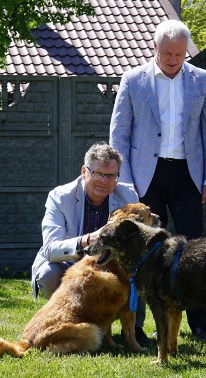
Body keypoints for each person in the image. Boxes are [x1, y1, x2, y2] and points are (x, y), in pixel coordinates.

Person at [109, 19, 206, 343]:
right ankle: (139, 327)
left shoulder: (202, 80)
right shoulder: (133, 80)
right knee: (144, 252)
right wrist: (128, 184)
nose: (174, 59)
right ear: (154, 48)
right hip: (146, 177)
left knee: (192, 253)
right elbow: (119, 134)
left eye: (180, 53)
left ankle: (200, 325)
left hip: (188, 175)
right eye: (168, 53)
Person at [30, 141, 153, 346]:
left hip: (114, 266)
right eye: (98, 174)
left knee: (138, 267)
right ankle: (73, 320)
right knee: (48, 274)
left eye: (111, 175)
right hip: (70, 263)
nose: (105, 181)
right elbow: (50, 249)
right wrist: (89, 239)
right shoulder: (60, 197)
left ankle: (134, 330)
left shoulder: (128, 195)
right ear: (84, 171)